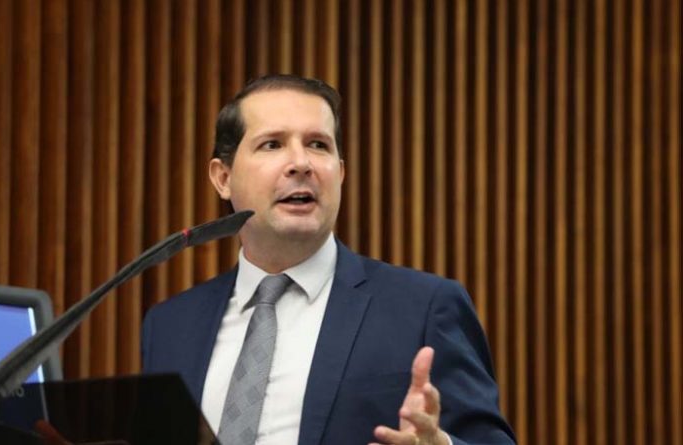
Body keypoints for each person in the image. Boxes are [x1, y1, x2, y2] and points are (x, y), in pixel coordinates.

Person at [142, 74, 515, 445]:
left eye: (318, 145)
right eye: (272, 144)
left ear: (341, 173)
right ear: (223, 177)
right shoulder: (170, 326)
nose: (301, 163)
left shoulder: (424, 308)